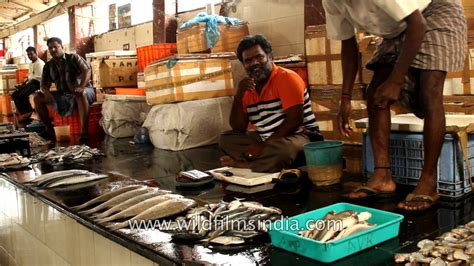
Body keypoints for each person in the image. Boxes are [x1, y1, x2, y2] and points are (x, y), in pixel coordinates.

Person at [322, 0, 467, 212]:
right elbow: (348, 44)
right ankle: (382, 176)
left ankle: (428, 182)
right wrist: (345, 98)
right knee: (376, 92)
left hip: (435, 8)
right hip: (398, 25)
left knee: (429, 90)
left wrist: (396, 81)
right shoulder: (330, 1)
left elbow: (417, 23)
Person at [219, 35, 322, 173]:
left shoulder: (287, 77)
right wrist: (238, 97)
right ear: (243, 65)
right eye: (248, 61)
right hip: (266, 139)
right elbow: (238, 128)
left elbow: (295, 120)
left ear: (270, 57)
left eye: (259, 57)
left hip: (300, 136)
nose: (255, 63)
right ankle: (267, 161)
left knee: (283, 150)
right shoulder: (247, 87)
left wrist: (263, 146)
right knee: (226, 139)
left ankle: (248, 164)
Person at [34, 37, 95, 141]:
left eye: (55, 47)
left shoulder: (73, 58)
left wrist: (81, 87)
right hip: (64, 93)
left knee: (81, 94)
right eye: (50, 48)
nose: (53, 50)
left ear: (62, 47)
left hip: (84, 90)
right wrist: (46, 92)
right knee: (37, 97)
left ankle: (84, 132)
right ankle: (49, 129)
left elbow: (87, 71)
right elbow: (44, 84)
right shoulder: (48, 65)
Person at [11, 46, 45, 123]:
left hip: (38, 83)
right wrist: (21, 84)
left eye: (31, 54)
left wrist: (24, 86)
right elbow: (29, 77)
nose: (30, 56)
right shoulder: (30, 64)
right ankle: (25, 113)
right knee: (14, 94)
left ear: (36, 53)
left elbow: (35, 79)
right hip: (31, 83)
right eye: (28, 55)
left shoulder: (40, 63)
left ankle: (30, 111)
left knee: (22, 94)